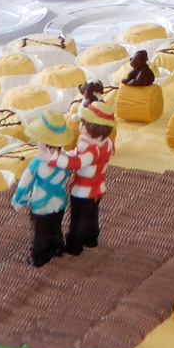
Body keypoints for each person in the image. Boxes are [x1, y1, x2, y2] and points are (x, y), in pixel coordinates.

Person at [44, 81, 116, 255]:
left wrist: (55, 158)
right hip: (98, 187)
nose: (79, 125)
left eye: (83, 123)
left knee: (79, 219)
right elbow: (84, 155)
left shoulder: (91, 150)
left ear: (91, 128)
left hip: (84, 191)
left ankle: (74, 244)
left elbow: (76, 163)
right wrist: (72, 153)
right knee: (92, 216)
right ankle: (92, 238)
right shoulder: (106, 144)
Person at [11, 109, 75, 267]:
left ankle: (39, 256)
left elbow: (25, 184)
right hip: (59, 201)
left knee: (39, 232)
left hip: (41, 203)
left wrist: (19, 202)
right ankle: (57, 248)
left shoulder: (37, 163)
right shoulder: (65, 160)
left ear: (44, 143)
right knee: (55, 227)